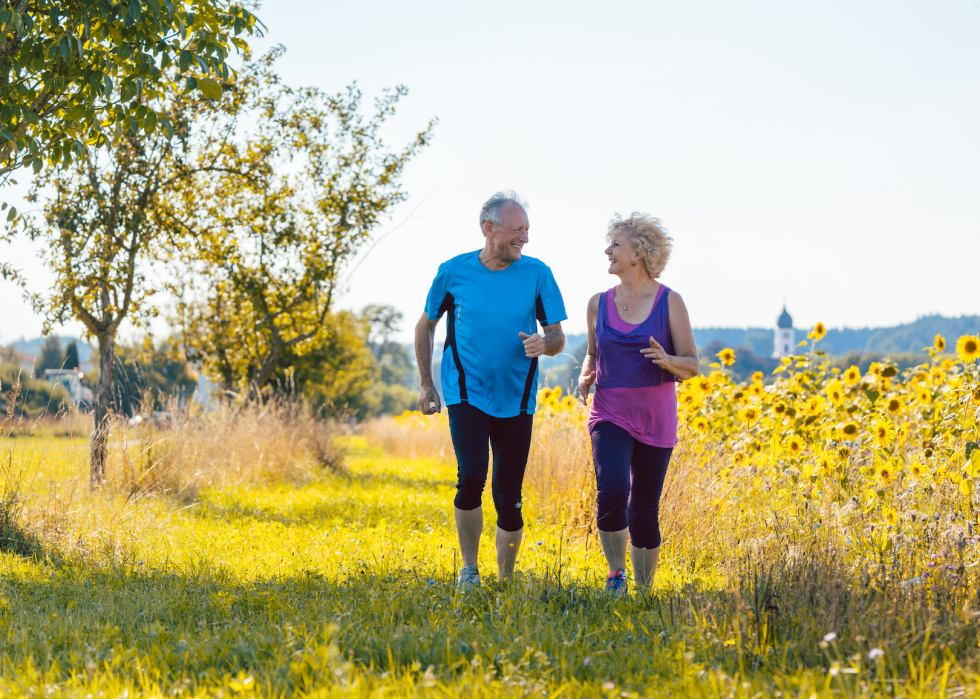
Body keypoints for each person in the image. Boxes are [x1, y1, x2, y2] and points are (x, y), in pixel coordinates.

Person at [415, 191, 567, 590]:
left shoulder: (538, 274)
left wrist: (544, 344)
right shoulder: (454, 272)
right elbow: (425, 325)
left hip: (517, 397)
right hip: (466, 391)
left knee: (509, 492)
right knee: (471, 478)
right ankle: (469, 571)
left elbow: (557, 337)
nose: (525, 239)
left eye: (527, 231)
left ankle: (505, 579)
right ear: (489, 228)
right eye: (518, 230)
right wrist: (427, 383)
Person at [578, 213, 699, 596]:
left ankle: (645, 591)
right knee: (612, 489)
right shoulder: (598, 304)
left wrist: (668, 362)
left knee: (644, 509)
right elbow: (593, 354)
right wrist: (586, 374)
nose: (607, 250)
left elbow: (692, 364)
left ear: (639, 253)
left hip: (655, 418)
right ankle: (616, 577)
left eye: (615, 244)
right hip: (609, 412)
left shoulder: (670, 302)